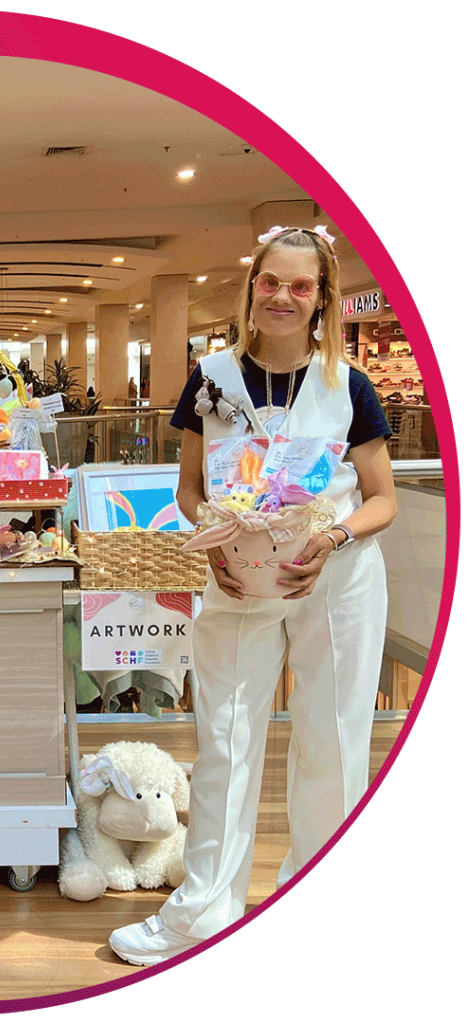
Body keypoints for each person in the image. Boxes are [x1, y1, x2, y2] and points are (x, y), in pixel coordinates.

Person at [109, 225, 397, 965]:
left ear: (322, 297)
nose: (283, 297)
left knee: (332, 738)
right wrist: (216, 538)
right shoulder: (212, 379)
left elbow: (381, 498)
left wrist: (331, 542)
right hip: (236, 582)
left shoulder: (348, 386)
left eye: (302, 286)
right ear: (252, 287)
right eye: (272, 282)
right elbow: (190, 489)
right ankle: (202, 909)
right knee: (229, 743)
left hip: (337, 583)